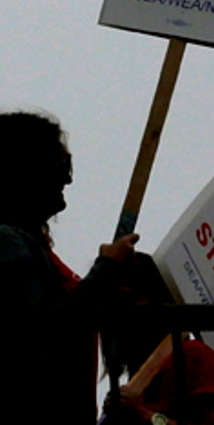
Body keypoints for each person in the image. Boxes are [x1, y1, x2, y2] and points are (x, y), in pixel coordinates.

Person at [0, 110, 139, 421]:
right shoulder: (6, 243)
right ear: (25, 168)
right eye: (60, 165)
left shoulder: (28, 248)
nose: (68, 177)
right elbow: (42, 335)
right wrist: (105, 271)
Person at [100, 253, 214, 425]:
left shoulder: (196, 356)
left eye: (128, 299)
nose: (120, 315)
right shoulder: (136, 383)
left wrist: (144, 415)